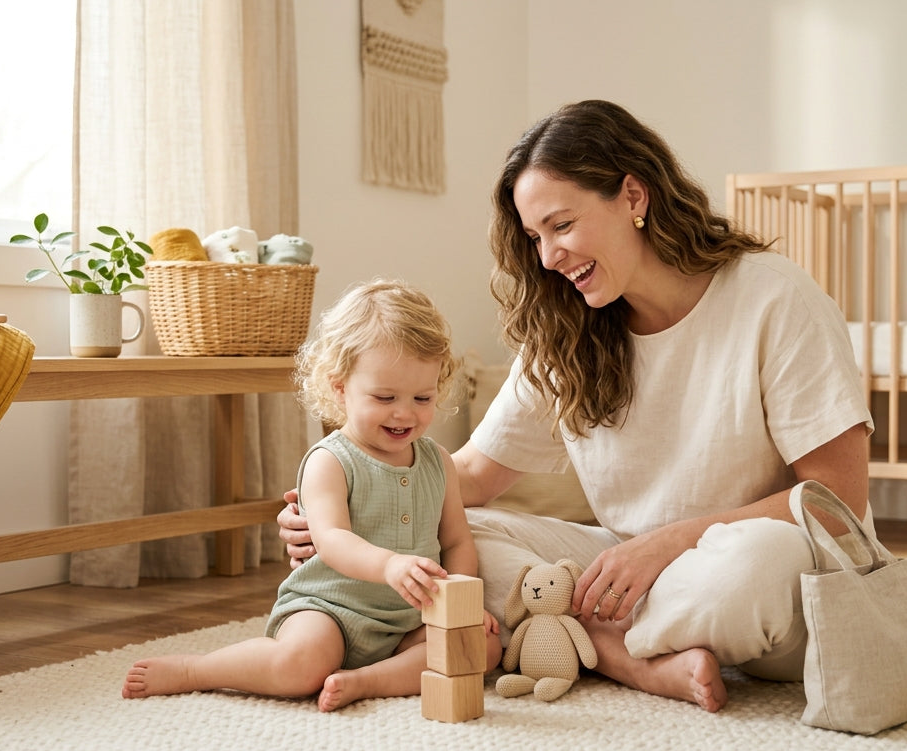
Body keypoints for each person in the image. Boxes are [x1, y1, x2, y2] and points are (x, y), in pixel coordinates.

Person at [278, 99, 873, 713]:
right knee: (464, 536)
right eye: (535, 237)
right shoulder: (568, 328)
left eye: (561, 226)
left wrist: (666, 545)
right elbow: (469, 476)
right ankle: (625, 656)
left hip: (753, 575)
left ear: (633, 196)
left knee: (751, 565)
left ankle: (588, 641)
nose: (547, 257)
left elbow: (838, 501)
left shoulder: (774, 297)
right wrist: (344, 505)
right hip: (622, 571)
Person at [123, 278, 501, 711]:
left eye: (422, 397)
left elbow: (456, 540)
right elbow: (332, 539)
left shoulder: (438, 462)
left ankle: (366, 682)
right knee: (299, 666)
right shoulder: (330, 460)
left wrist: (460, 600)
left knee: (482, 648)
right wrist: (389, 565)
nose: (405, 412)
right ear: (340, 388)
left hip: (408, 620)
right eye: (384, 397)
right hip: (330, 609)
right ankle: (198, 670)